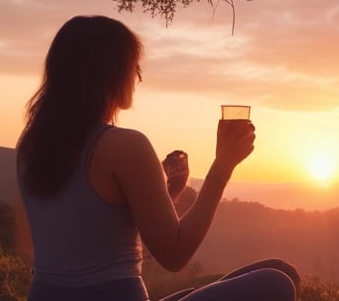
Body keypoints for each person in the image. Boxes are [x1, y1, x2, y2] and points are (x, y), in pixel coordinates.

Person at [16, 15, 299, 301]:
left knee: (276, 267)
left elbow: (82, 231)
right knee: (276, 281)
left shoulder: (32, 145)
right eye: (134, 66)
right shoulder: (126, 145)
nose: (138, 76)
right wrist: (222, 167)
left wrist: (165, 191)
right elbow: (175, 255)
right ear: (112, 72)